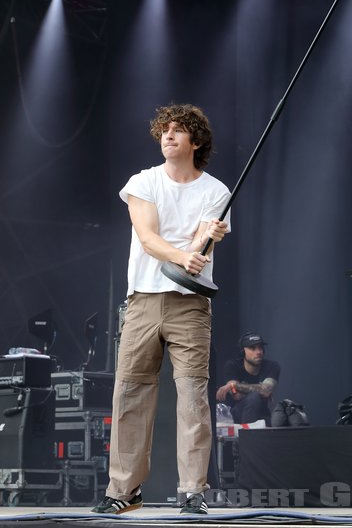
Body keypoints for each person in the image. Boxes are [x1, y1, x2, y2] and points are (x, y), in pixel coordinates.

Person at [92, 103, 230, 516]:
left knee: (192, 397)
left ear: (196, 141)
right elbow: (149, 238)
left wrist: (208, 236)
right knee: (130, 394)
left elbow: (202, 245)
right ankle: (124, 490)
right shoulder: (143, 181)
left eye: (177, 130)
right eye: (164, 130)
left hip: (191, 305)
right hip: (143, 302)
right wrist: (185, 252)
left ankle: (192, 492)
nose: (168, 136)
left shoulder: (216, 192)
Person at [216, 333, 280, 426]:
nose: (258, 352)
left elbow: (266, 390)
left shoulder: (272, 366)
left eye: (260, 347)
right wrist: (259, 391)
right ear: (243, 351)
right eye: (253, 348)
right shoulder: (232, 366)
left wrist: (235, 386)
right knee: (254, 397)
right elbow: (235, 395)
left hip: (262, 415)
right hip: (238, 415)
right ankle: (247, 437)